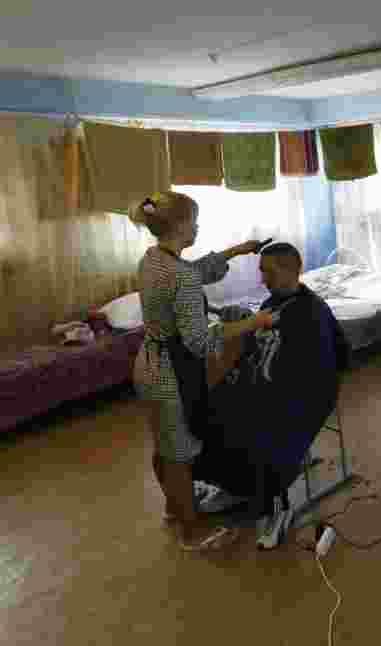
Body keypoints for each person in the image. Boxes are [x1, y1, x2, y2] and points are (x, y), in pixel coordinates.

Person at [130, 191, 275, 552]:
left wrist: (238, 249)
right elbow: (200, 340)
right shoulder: (179, 275)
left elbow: (191, 273)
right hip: (170, 371)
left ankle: (173, 507)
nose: (197, 228)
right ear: (180, 227)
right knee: (179, 454)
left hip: (149, 361)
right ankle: (191, 532)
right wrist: (252, 322)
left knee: (165, 444)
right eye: (194, 222)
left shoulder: (153, 259)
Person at [195, 242, 350, 549]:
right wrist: (242, 324)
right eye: (261, 271)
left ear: (293, 270)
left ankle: (272, 503)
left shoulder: (312, 313)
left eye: (268, 272)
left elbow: (321, 371)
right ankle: (236, 486)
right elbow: (258, 344)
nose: (262, 279)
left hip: (299, 396)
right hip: (263, 387)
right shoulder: (271, 302)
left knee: (261, 427)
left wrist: (264, 393)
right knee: (204, 410)